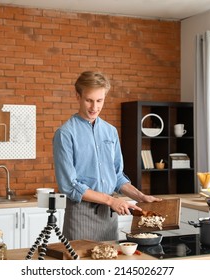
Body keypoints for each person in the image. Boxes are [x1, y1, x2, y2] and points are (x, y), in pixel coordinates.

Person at [53, 71, 162, 241]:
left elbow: (117, 176)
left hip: (109, 218)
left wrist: (141, 197)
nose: (94, 107)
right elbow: (69, 185)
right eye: (89, 100)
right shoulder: (65, 134)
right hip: (81, 215)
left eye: (99, 101)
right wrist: (111, 201)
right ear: (78, 96)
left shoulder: (110, 132)